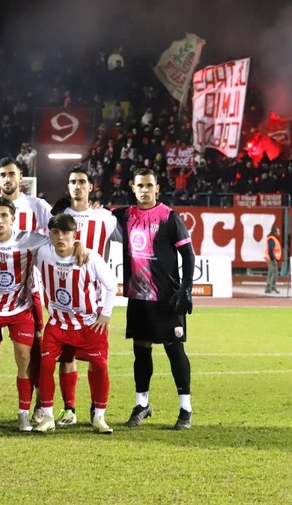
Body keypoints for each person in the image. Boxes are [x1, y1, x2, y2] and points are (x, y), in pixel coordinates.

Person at [113, 167, 195, 430]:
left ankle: (185, 409)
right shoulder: (124, 215)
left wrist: (186, 289)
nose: (145, 190)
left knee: (174, 350)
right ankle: (142, 404)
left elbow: (188, 255)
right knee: (141, 351)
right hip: (138, 297)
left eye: (149, 186)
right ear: (132, 187)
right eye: (140, 186)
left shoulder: (169, 217)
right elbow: (93, 216)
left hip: (166, 298)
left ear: (157, 188)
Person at [0, 156, 52, 417]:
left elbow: (58, 230)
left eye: (12, 174)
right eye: (3, 175)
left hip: (29, 290)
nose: (7, 179)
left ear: (20, 177)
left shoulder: (37, 206)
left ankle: (38, 403)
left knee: (33, 348)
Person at [49, 166, 121, 426]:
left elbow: (129, 238)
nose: (77, 186)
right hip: (64, 301)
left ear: (91, 187)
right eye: (72, 182)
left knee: (96, 360)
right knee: (65, 358)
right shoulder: (58, 215)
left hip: (95, 302)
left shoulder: (106, 218)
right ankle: (69, 410)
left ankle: (96, 411)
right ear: (68, 187)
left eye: (82, 182)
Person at [32, 213, 117, 434]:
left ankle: (99, 418)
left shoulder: (90, 258)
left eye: (67, 233)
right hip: (58, 324)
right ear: (49, 234)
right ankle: (48, 417)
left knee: (100, 366)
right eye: (56, 232)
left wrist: (105, 314)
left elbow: (111, 285)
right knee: (46, 365)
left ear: (74, 235)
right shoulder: (42, 252)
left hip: (89, 324)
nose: (61, 237)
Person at [264, 225, 282, 294]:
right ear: (275, 232)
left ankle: (272, 287)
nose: (279, 232)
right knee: (272, 273)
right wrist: (273, 258)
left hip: (271, 258)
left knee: (273, 273)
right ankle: (269, 288)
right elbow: (270, 249)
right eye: (278, 231)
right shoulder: (272, 239)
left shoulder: (272, 238)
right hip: (270, 258)